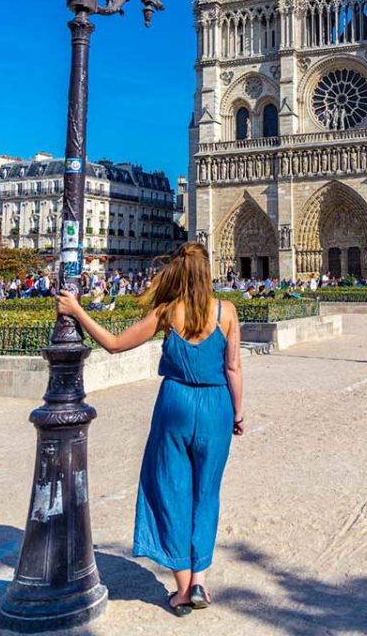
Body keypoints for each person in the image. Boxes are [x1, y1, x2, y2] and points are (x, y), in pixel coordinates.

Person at [55, 241, 244, 617]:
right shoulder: (227, 312)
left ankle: (182, 587)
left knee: (169, 491)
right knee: (206, 493)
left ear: (178, 272)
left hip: (175, 404)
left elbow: (112, 344)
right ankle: (201, 580)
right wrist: (237, 414)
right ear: (208, 274)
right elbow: (234, 369)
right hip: (216, 407)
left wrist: (76, 310)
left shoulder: (167, 313)